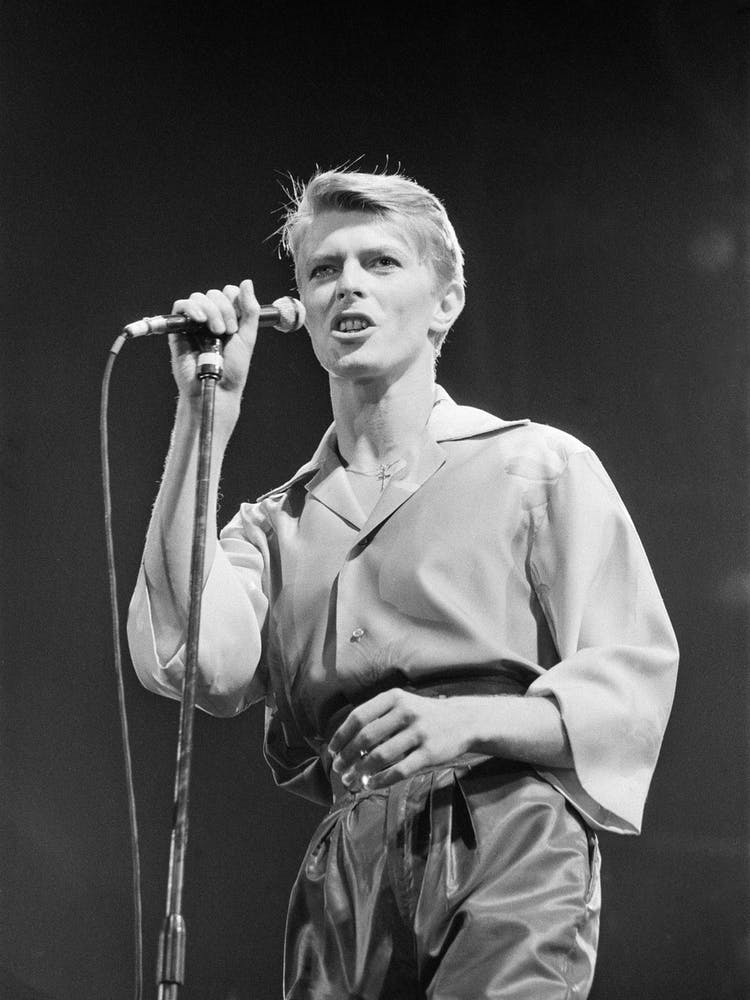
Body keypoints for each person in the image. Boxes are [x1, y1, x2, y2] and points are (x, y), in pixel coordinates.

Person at [127, 168, 678, 999]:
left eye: (381, 263)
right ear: (302, 313)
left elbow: (632, 687)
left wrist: (463, 723)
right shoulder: (275, 526)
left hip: (505, 828)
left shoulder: (536, 465)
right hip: (348, 866)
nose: (347, 283)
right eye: (323, 269)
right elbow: (189, 661)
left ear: (446, 299)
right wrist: (206, 413)